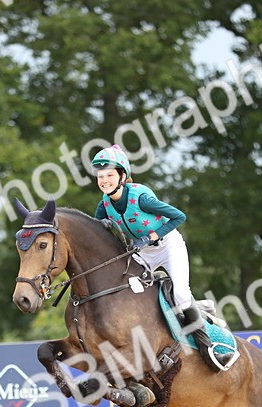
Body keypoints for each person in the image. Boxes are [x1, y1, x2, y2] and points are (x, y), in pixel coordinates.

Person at [90, 145, 235, 372]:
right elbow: (96, 232)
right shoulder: (104, 204)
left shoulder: (141, 198)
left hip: (168, 245)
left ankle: (210, 349)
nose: (104, 180)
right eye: (100, 176)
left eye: (109, 175)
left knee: (180, 293)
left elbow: (179, 216)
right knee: (129, 287)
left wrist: (152, 236)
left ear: (122, 176)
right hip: (143, 253)